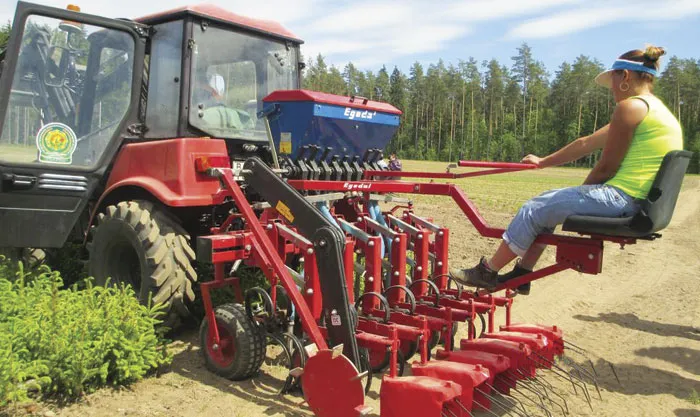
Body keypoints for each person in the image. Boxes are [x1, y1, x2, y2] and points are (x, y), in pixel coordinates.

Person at [450, 45, 683, 296]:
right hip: (638, 201)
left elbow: (606, 167)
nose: (612, 89)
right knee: (548, 204)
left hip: (622, 199)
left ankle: (487, 271)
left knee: (535, 207)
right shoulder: (656, 111)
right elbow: (586, 143)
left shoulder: (630, 108)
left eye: (613, 81)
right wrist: (542, 161)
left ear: (625, 76)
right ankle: (523, 273)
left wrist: (580, 194)